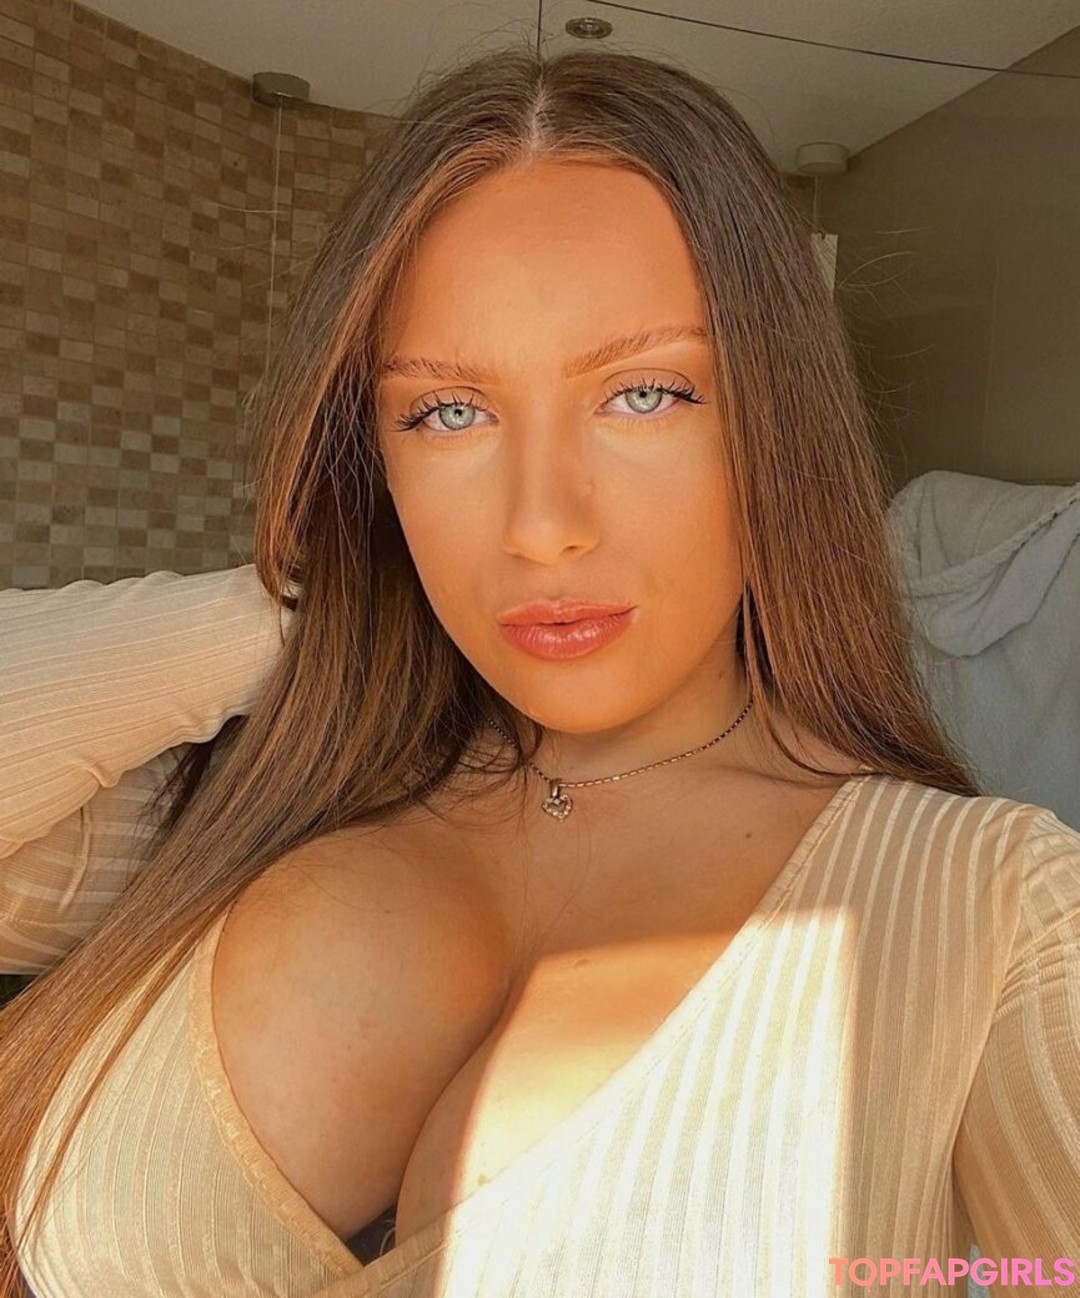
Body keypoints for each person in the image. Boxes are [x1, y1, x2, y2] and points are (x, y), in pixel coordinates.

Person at [2, 41, 1079, 1298]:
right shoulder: (253, 792)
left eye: (645, 393)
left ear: (777, 421)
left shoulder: (995, 910)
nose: (541, 525)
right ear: (372, 455)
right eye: (448, 411)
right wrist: (315, 607)